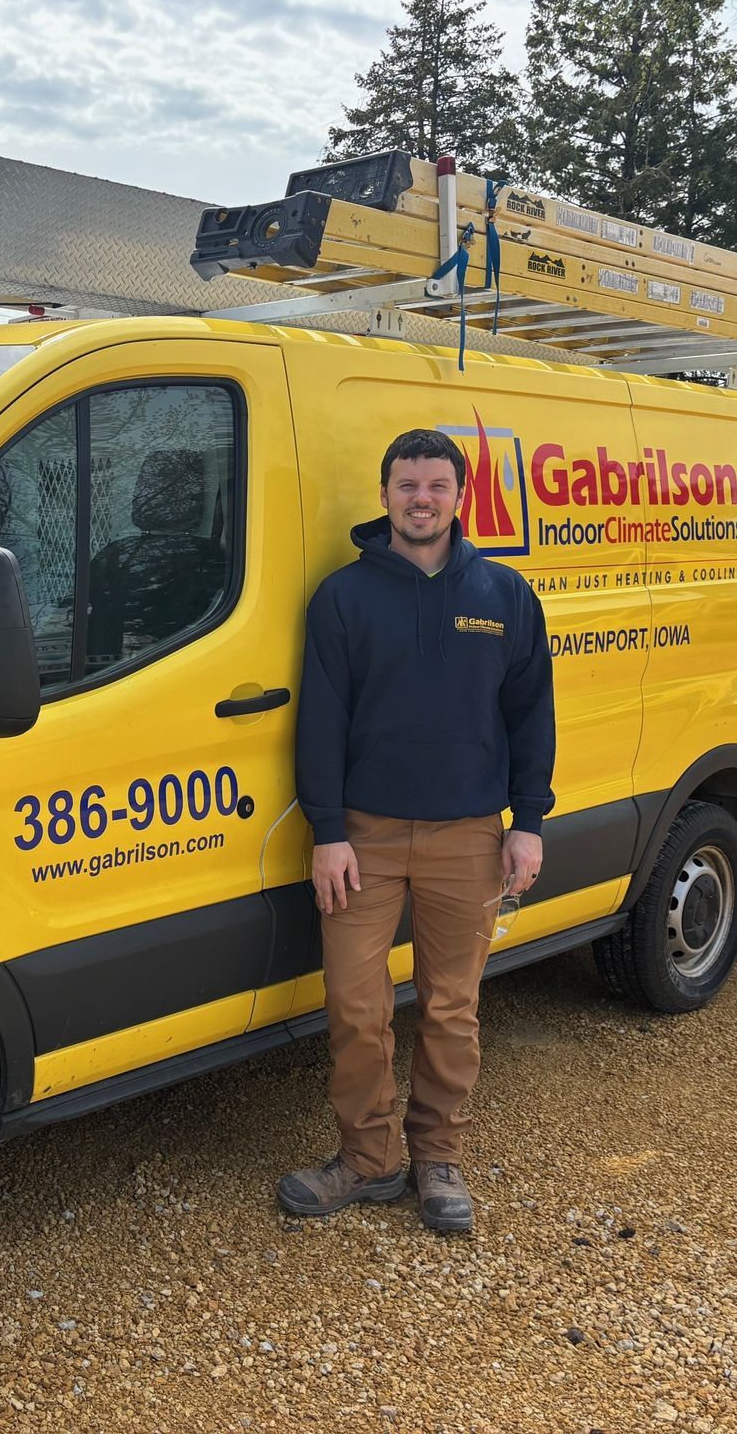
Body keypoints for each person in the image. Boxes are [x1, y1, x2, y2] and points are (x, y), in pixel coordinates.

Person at [278, 428, 555, 1233]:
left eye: (437, 486)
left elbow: (531, 715)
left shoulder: (505, 597)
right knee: (357, 1007)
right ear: (385, 494)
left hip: (468, 836)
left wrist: (527, 822)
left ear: (459, 497)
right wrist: (328, 831)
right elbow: (321, 724)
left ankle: (438, 1160)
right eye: (408, 486)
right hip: (360, 839)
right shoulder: (342, 598)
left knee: (450, 1007)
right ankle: (367, 1161)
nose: (422, 499)